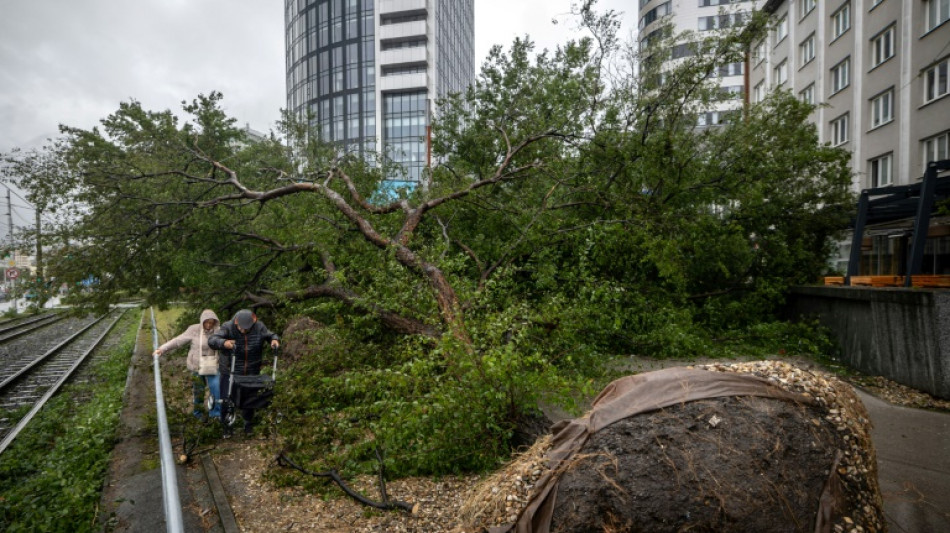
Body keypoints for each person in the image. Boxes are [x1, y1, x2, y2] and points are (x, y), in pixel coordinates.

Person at [208, 309, 279, 437]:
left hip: (252, 369)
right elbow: (213, 340)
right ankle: (226, 425)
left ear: (253, 323)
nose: (243, 331)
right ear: (236, 322)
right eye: (241, 328)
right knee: (226, 399)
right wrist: (224, 343)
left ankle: (248, 424)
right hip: (230, 370)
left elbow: (270, 335)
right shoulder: (227, 327)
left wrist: (274, 340)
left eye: (247, 329)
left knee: (250, 398)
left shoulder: (259, 327)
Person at [153, 309, 222, 420]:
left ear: (215, 322)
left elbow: (227, 342)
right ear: (202, 321)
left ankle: (215, 414)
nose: (209, 325)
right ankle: (198, 413)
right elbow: (178, 340)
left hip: (212, 365)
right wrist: (161, 349)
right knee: (198, 391)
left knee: (216, 388)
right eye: (206, 322)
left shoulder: (219, 331)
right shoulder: (194, 329)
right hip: (197, 366)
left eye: (211, 322)